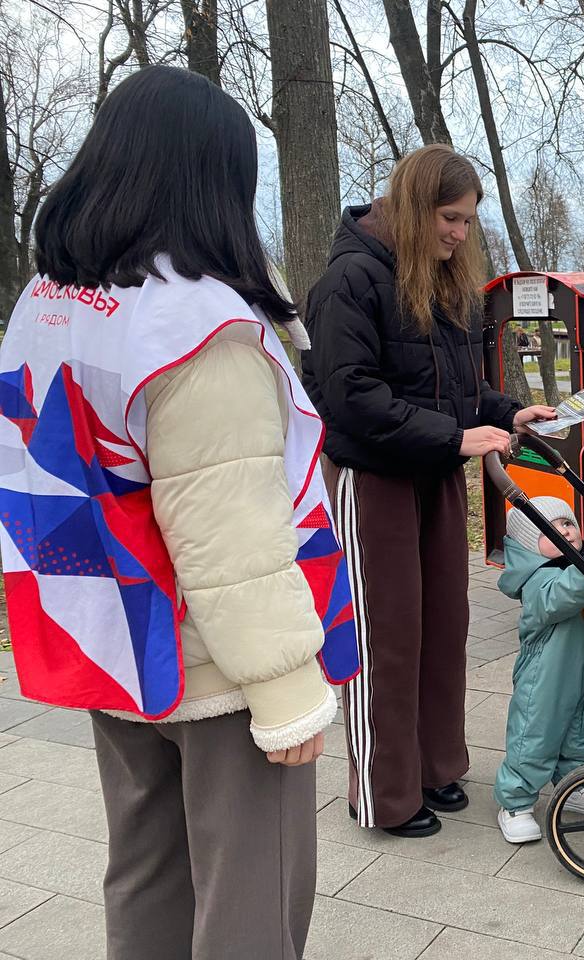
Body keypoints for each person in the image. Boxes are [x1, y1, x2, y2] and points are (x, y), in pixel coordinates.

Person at [0, 66, 359, 959]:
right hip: (219, 661)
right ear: (214, 184)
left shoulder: (48, 299)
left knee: (148, 872)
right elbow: (230, 530)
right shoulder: (197, 327)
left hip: (105, 630)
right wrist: (286, 697)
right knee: (252, 899)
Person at [302, 145, 554, 838]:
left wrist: (505, 413)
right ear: (416, 208)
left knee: (444, 628)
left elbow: (459, 390)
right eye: (450, 218)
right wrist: (454, 438)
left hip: (436, 475)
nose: (460, 235)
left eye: (470, 221)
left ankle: (436, 767)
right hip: (375, 480)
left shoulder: (447, 285)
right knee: (387, 638)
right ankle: (384, 794)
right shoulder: (349, 281)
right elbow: (350, 398)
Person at [492, 498, 584, 843]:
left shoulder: (577, 568)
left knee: (580, 734)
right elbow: (561, 597)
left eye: (569, 524)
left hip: (583, 673)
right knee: (534, 737)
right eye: (553, 528)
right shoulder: (537, 580)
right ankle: (514, 803)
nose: (566, 531)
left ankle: (574, 786)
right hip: (544, 679)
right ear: (530, 542)